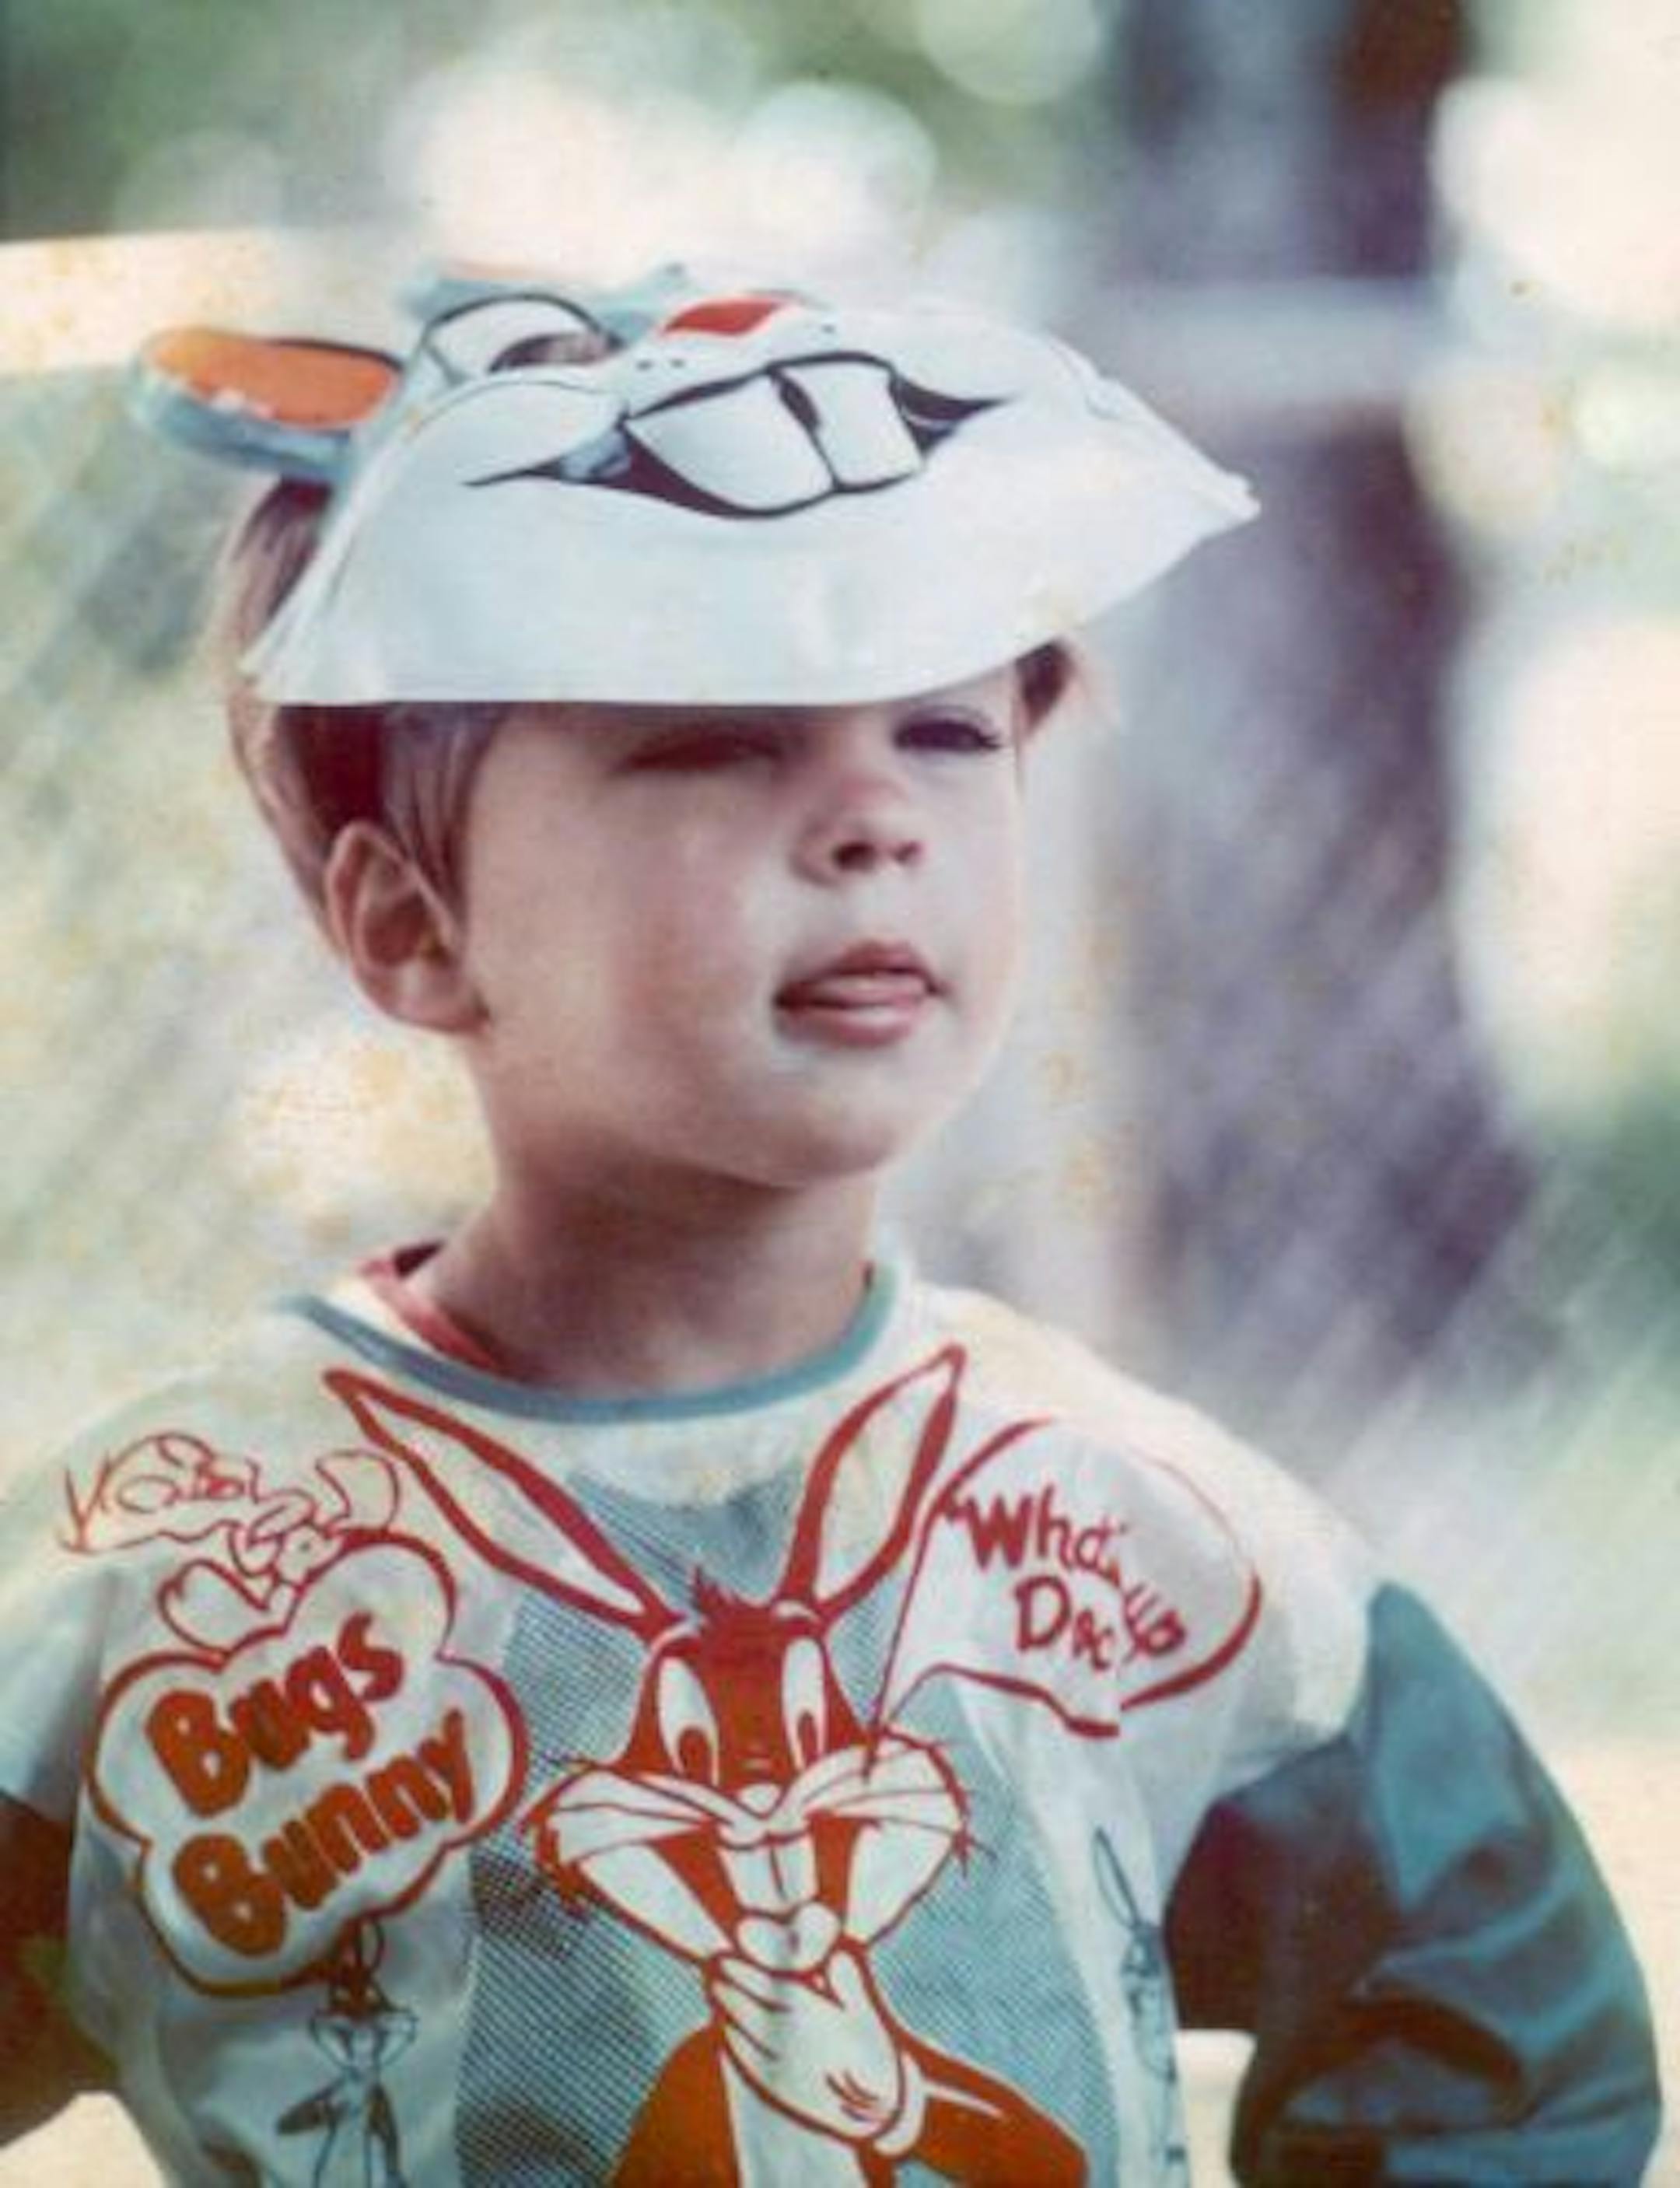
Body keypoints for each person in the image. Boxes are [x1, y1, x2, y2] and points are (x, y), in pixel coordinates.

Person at [0, 265, 1659, 2186]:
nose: (874, 816)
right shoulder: (161, 1577)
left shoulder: (1153, 1542)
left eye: (949, 736)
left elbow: (1497, 2040)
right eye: (717, 740)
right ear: (411, 924)